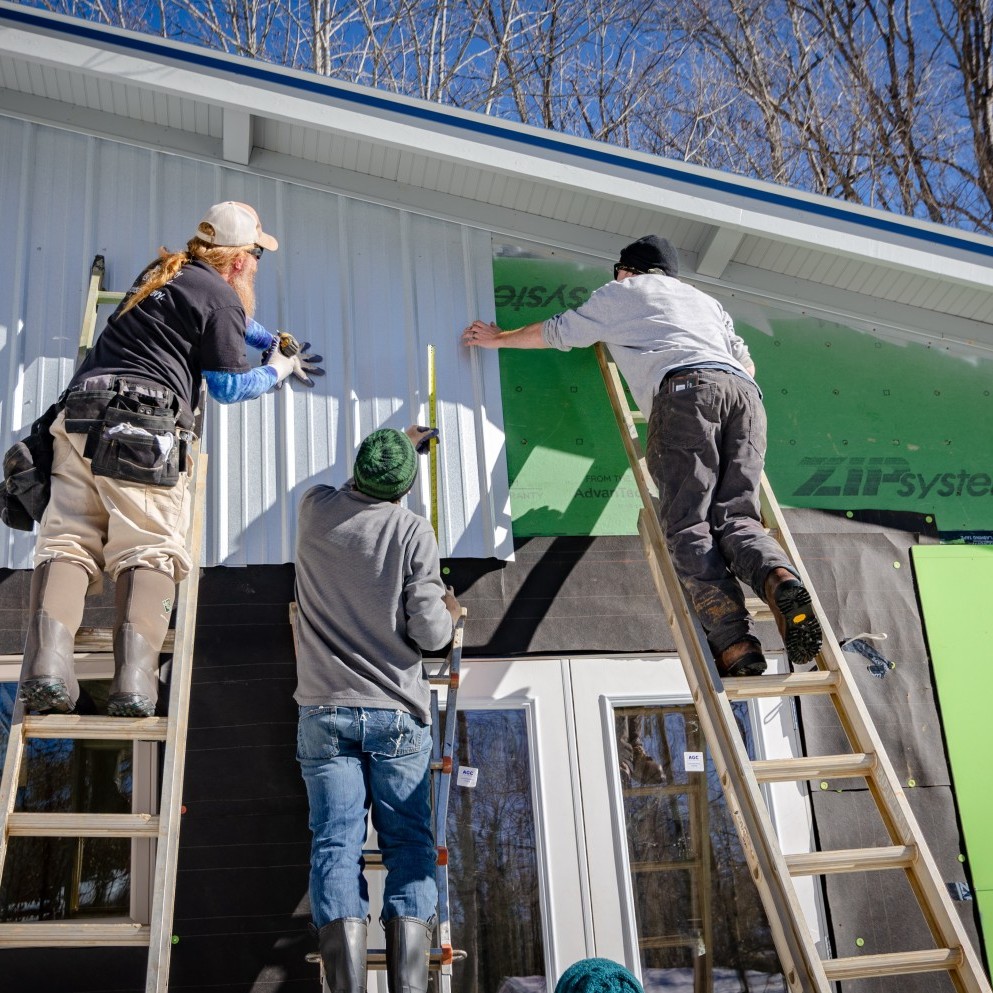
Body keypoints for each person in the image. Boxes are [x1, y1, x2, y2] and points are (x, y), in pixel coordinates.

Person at [461, 235, 822, 677]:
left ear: (628, 269)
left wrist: (499, 339)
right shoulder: (705, 302)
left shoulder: (625, 291)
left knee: (689, 522)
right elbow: (747, 366)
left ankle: (736, 646)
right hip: (747, 399)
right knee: (739, 518)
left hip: (687, 394)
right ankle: (778, 578)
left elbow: (560, 331)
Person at [18, 201, 323, 718]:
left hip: (79, 415)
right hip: (142, 428)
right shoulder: (222, 298)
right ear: (239, 261)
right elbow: (227, 386)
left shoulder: (163, 274)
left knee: (68, 540)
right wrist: (277, 367)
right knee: (149, 547)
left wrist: (268, 337)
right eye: (255, 256)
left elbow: (226, 317)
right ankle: (134, 684)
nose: (256, 265)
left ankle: (47, 668)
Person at [294, 425, 460, 993]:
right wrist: (448, 610)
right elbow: (430, 633)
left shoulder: (314, 510)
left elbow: (353, 492)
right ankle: (409, 986)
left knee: (335, 844)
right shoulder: (413, 530)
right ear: (406, 487)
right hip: (394, 712)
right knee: (409, 846)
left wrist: (397, 455)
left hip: (325, 710)